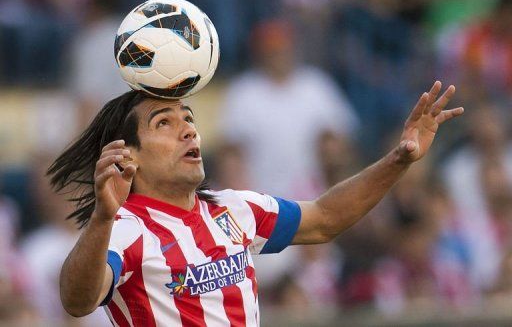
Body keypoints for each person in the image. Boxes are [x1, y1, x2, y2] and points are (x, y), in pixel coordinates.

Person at [47, 80, 462, 326]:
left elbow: (325, 218)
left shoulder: (235, 209)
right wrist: (103, 217)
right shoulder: (124, 228)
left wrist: (399, 159)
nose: (188, 131)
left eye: (188, 118)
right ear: (129, 156)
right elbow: (77, 300)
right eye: (165, 123)